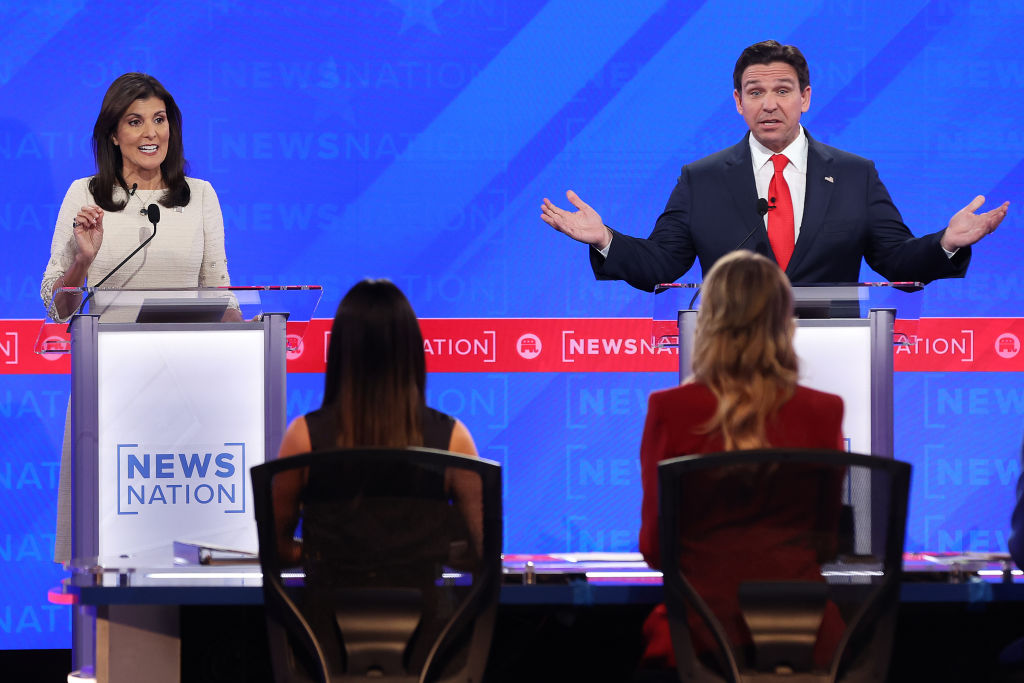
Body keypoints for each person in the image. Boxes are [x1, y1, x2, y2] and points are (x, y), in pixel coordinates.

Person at [541, 40, 1010, 291]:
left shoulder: (854, 174)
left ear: (805, 98)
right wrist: (605, 239)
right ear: (738, 103)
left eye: (783, 91)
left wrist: (946, 243)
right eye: (756, 92)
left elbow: (896, 262)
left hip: (835, 360)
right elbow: (661, 265)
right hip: (732, 359)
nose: (769, 104)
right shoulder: (701, 179)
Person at [41, 72, 237, 564]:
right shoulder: (84, 196)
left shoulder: (200, 197)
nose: (152, 133)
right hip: (110, 390)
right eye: (135, 121)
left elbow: (219, 289)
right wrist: (84, 259)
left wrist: (255, 339)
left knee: (182, 549)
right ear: (113, 134)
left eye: (160, 119)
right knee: (108, 552)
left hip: (187, 394)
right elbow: (58, 304)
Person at [635, 251, 847, 678]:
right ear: (784, 322)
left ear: (709, 321)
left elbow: (657, 549)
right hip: (803, 641)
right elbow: (828, 543)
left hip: (700, 640)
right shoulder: (823, 410)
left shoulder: (670, 408)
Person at [273, 278, 483, 568]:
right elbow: (482, 549)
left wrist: (323, 556)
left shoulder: (302, 436)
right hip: (430, 612)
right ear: (411, 350)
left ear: (340, 350)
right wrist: (426, 553)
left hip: (323, 611)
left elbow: (275, 548)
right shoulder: (453, 438)